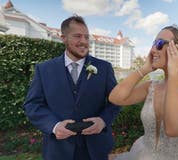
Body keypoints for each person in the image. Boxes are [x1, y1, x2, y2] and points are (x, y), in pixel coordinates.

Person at [23, 15, 120, 160]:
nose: (84, 41)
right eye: (77, 36)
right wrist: (54, 126)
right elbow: (33, 105)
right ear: (63, 38)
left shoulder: (104, 68)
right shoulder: (44, 69)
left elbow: (116, 100)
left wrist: (103, 121)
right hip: (58, 149)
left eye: (87, 37)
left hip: (95, 149)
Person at [109, 25, 178, 160]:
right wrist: (144, 69)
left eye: (159, 44)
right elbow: (115, 98)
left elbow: (174, 129)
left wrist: (174, 74)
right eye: (153, 43)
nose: (152, 50)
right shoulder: (152, 86)